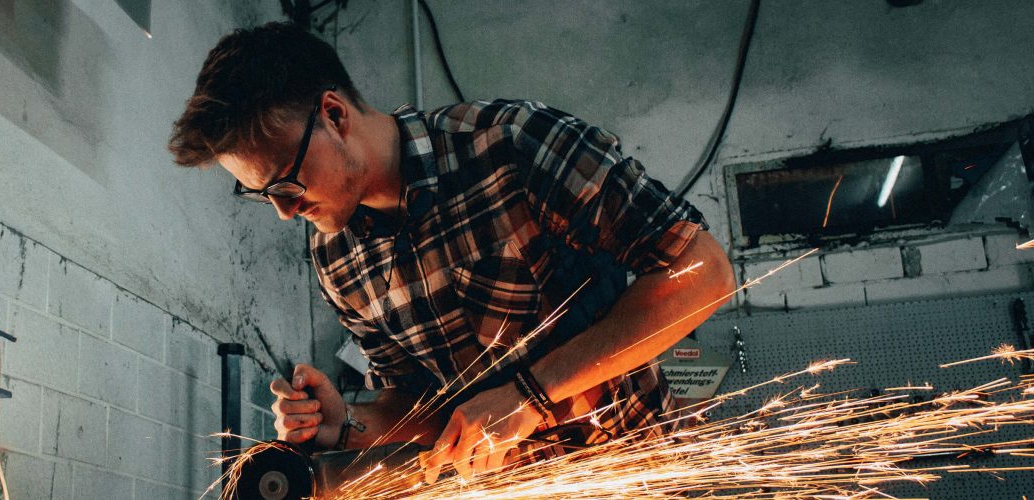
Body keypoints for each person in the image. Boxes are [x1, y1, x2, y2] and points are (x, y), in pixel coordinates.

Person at [168, 22, 735, 482]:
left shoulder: (511, 146)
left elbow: (704, 271)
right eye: (262, 194)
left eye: (286, 183)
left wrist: (529, 396)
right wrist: (348, 423)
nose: (285, 212)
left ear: (334, 116)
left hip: (636, 469)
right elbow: (425, 409)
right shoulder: (337, 262)